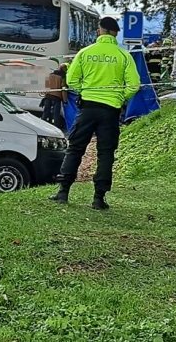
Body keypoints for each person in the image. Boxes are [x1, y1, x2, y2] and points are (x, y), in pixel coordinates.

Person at [50, 16, 140, 210]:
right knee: (106, 153)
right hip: (110, 110)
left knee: (75, 148)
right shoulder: (123, 55)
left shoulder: (85, 53)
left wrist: (85, 91)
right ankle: (99, 198)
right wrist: (120, 97)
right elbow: (134, 85)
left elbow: (72, 80)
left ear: (100, 30)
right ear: (115, 33)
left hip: (88, 107)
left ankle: (63, 192)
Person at [41, 63, 68, 131]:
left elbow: (46, 85)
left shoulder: (50, 75)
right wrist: (65, 100)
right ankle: (56, 129)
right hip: (57, 98)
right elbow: (63, 89)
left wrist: (45, 94)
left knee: (45, 112)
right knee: (56, 114)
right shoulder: (62, 77)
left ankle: (42, 126)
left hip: (48, 96)